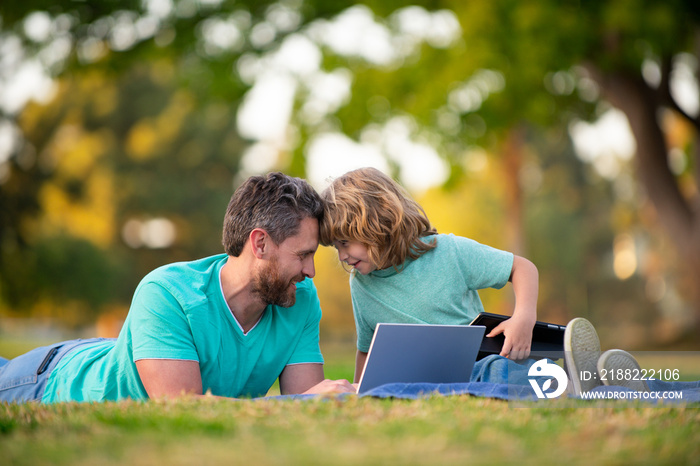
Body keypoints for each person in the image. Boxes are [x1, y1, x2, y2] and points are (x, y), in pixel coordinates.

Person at [0, 172, 355, 403]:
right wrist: (302, 401)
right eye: (303, 255)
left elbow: (308, 402)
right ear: (259, 244)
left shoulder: (300, 300)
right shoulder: (168, 293)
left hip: (128, 351)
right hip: (48, 381)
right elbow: (182, 406)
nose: (310, 271)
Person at [319, 167, 540, 384]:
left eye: (345, 243)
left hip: (474, 365)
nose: (341, 256)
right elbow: (367, 350)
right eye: (336, 247)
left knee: (497, 370)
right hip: (415, 378)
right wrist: (360, 393)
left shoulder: (450, 251)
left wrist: (523, 318)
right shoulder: (360, 282)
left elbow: (523, 268)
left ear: (375, 225)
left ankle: (559, 380)